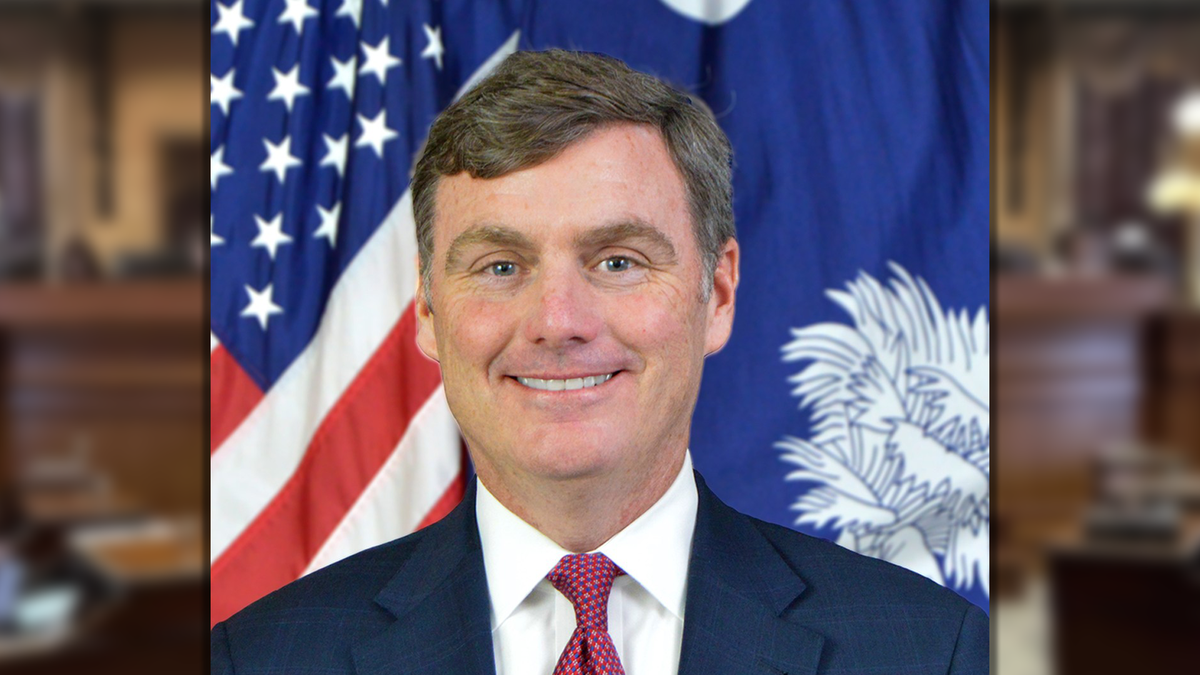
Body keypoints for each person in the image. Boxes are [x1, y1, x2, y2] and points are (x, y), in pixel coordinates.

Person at [211, 49, 989, 675]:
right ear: (427, 310)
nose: (558, 322)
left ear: (718, 294)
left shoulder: (932, 652)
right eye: (500, 266)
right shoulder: (260, 659)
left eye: (618, 261)